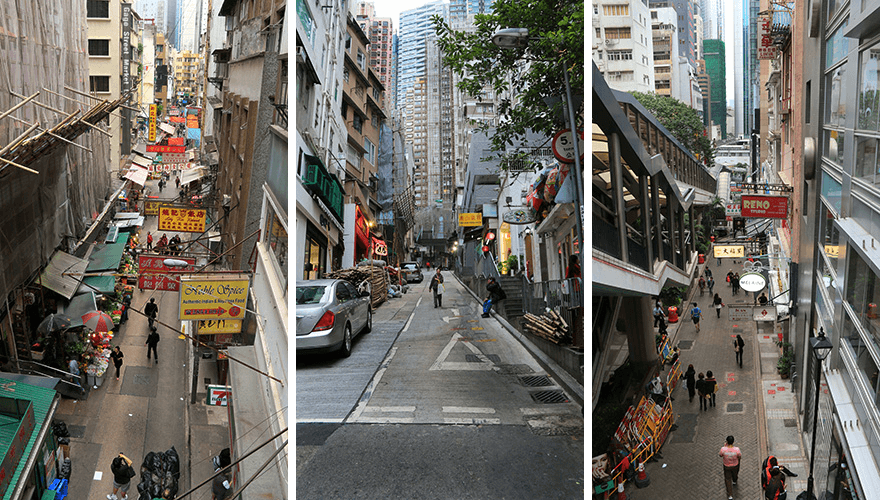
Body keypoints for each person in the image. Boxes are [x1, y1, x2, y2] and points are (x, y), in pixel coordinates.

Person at [719, 435, 742, 500]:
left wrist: (724, 446)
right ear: (733, 442)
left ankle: (730, 495)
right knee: (735, 473)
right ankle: (734, 480)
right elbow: (739, 456)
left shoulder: (723, 449)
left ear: (726, 442)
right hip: (735, 465)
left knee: (728, 479)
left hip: (727, 466)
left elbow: (720, 455)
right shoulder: (737, 449)